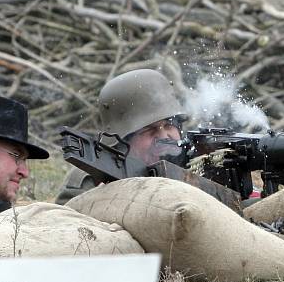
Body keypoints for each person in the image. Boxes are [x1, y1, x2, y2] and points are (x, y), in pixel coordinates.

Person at [55, 69, 187, 204]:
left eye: (169, 125)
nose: (164, 136)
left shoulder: (190, 162)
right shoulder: (92, 178)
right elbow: (65, 219)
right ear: (124, 139)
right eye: (150, 129)